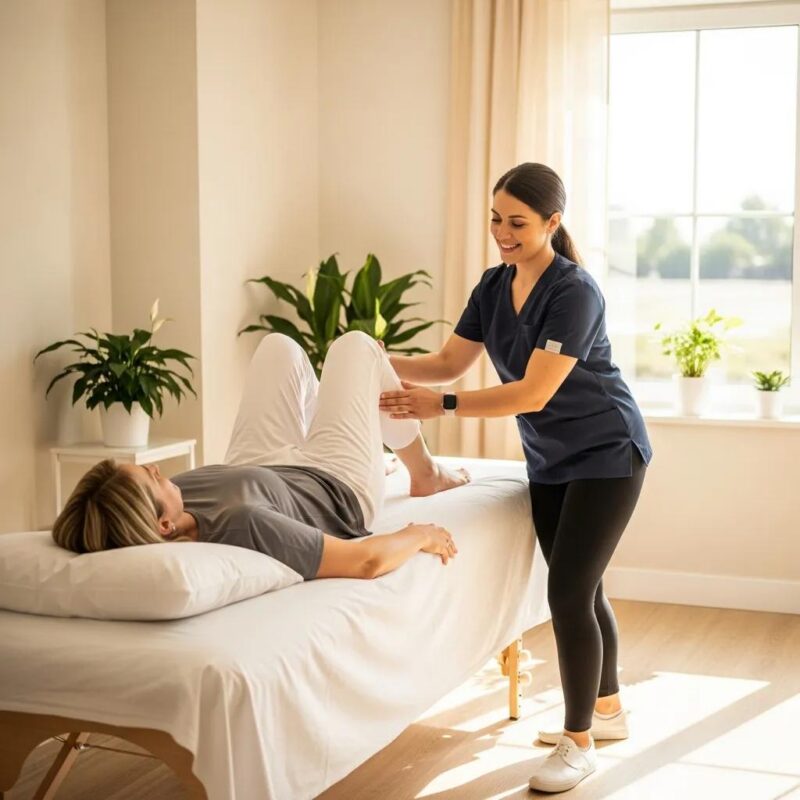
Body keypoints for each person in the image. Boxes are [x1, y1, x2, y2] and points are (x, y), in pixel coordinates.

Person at [379, 162, 652, 793]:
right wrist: (369, 359)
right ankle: (608, 711)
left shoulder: (574, 292)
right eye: (496, 219)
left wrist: (442, 407)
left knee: (568, 594)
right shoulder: (494, 284)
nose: (502, 232)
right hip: (550, 457)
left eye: (518, 223)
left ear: (552, 223)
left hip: (608, 453)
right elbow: (449, 362)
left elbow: (532, 392)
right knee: (584, 590)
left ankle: (578, 742)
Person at [52, 331, 472, 580]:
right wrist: (421, 535)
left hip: (260, 465)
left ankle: (372, 451)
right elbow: (365, 562)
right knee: (356, 347)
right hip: (335, 484)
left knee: (278, 347)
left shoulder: (169, 507)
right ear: (163, 524)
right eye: (151, 478)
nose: (157, 469)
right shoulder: (244, 524)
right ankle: (425, 473)